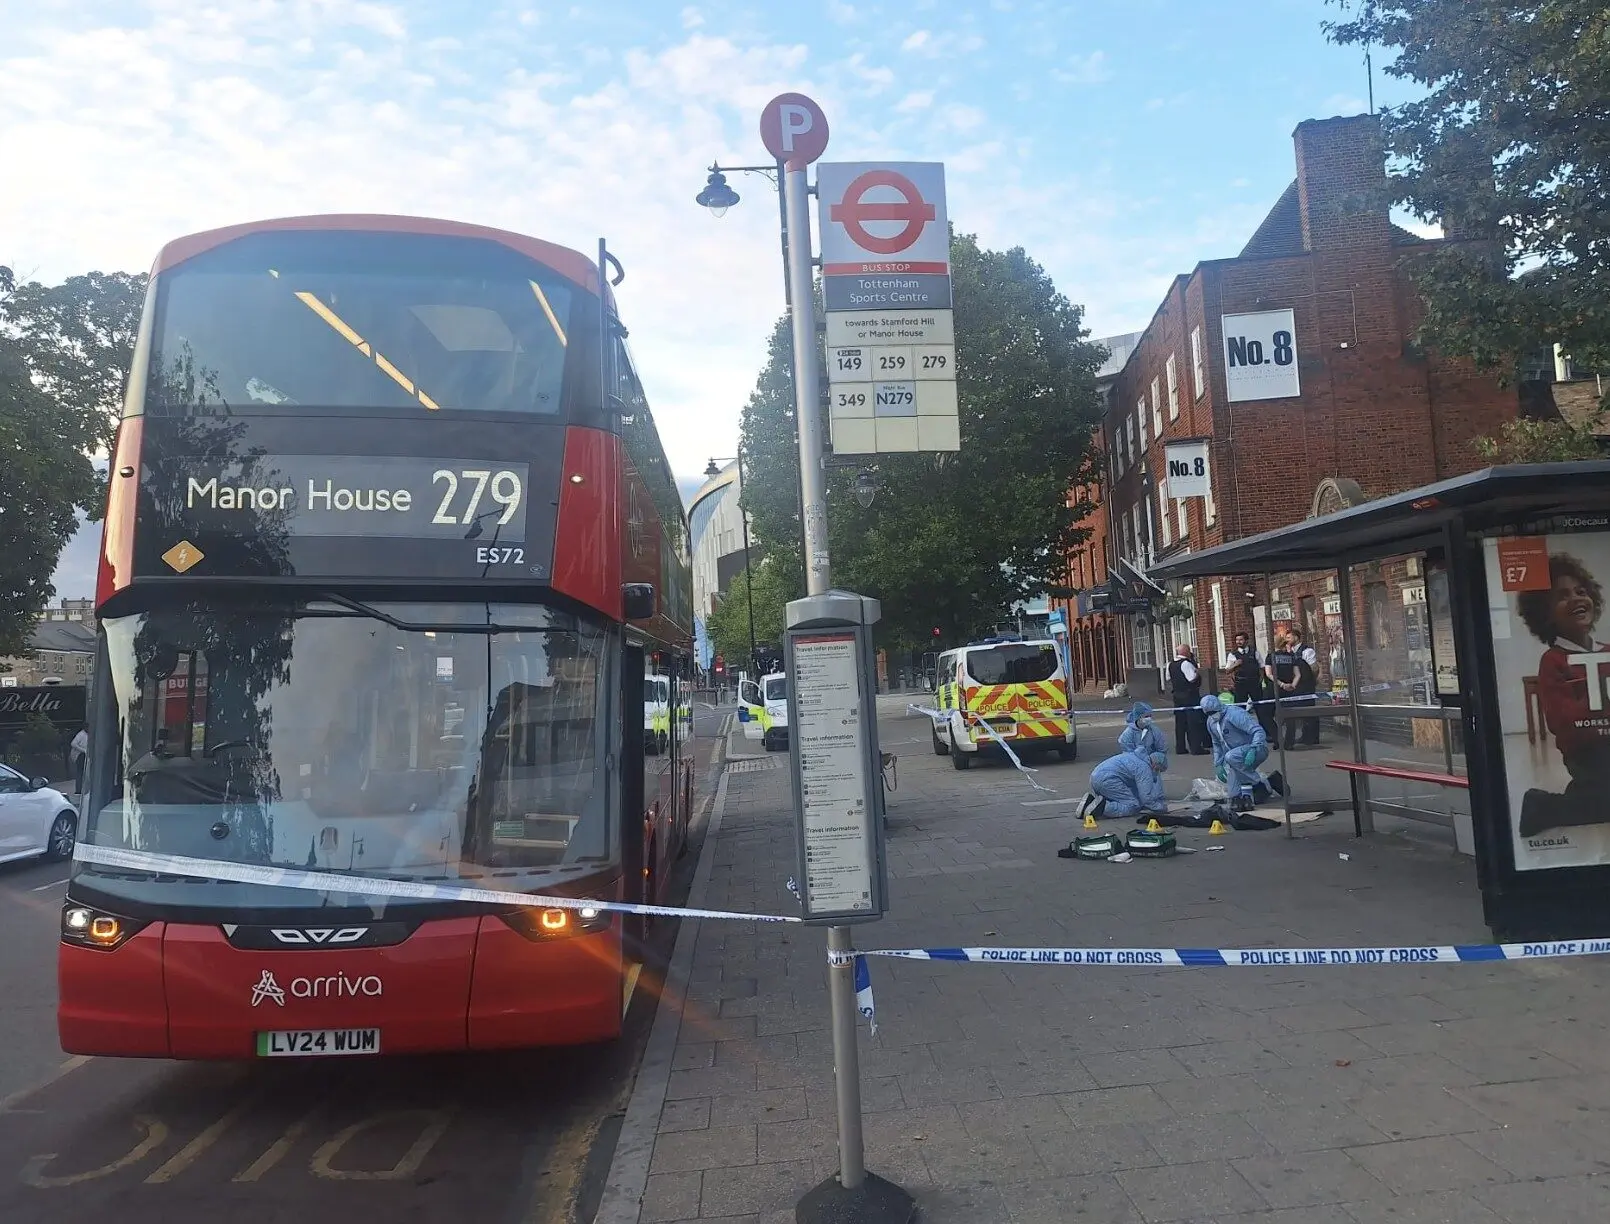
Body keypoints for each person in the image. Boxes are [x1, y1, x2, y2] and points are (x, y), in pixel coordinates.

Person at [1515, 553, 1610, 838]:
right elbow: (1563, 722)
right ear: (1545, 614)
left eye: (1581, 592)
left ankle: (1586, 796)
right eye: (1563, 596)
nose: (1577, 599)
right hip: (1588, 755)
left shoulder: (1607, 651)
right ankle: (1544, 806)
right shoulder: (1553, 661)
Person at [1201, 692, 1269, 806]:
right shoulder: (1211, 722)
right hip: (1235, 757)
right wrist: (1218, 763)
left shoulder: (1235, 714)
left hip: (1256, 749)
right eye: (1208, 713)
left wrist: (1253, 748)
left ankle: (1258, 784)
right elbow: (1216, 743)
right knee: (1233, 795)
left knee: (1231, 757)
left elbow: (1258, 731)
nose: (1212, 715)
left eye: (1213, 712)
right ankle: (1268, 784)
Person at [1079, 749, 1169, 822]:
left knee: (1120, 801)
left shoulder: (1135, 757)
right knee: (1132, 806)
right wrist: (1160, 808)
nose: (1157, 773)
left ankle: (1088, 803)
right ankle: (1102, 808)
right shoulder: (1145, 769)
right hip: (1108, 780)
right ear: (1155, 765)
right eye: (1158, 770)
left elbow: (1134, 790)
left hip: (1096, 777)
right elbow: (1145, 797)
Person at [1223, 631, 1270, 733]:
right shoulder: (1233, 654)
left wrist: (1261, 679)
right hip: (1241, 684)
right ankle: (1241, 731)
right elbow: (1227, 670)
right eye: (1237, 640)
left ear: (1246, 641)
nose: (1238, 642)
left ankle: (1266, 732)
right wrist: (1235, 664)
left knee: (1260, 708)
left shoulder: (1254, 652)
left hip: (1254, 683)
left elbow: (1262, 667)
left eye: (1241, 640)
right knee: (1239, 709)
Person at [1167, 644, 1211, 755]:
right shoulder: (1186, 663)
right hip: (1190, 696)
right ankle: (1196, 748)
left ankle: (1180, 747)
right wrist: (1197, 673)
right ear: (1186, 652)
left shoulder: (1170, 664)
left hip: (1177, 696)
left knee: (1180, 723)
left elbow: (1168, 678)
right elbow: (1191, 679)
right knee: (1193, 722)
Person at [1265, 632, 1301, 750]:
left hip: (1274, 689)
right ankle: (1289, 743)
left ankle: (1277, 739)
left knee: (1266, 714)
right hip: (1289, 690)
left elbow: (1269, 674)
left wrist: (1281, 684)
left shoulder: (1271, 656)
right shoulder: (1291, 656)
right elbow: (1297, 674)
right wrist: (1292, 685)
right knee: (1290, 716)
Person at [1288, 626, 1320, 747]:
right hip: (1297, 684)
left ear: (1296, 637)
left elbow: (1314, 668)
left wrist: (1311, 680)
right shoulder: (1291, 652)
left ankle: (1312, 737)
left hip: (1306, 685)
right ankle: (1304, 735)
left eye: (1289, 637)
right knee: (1301, 710)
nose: (1287, 640)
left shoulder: (1307, 651)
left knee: (1309, 709)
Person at [68, 727, 89, 795]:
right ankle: (78, 790)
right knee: (80, 773)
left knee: (84, 774)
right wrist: (83, 750)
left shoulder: (88, 734)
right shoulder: (81, 734)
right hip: (80, 755)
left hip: (85, 755)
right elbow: (73, 743)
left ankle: (83, 790)